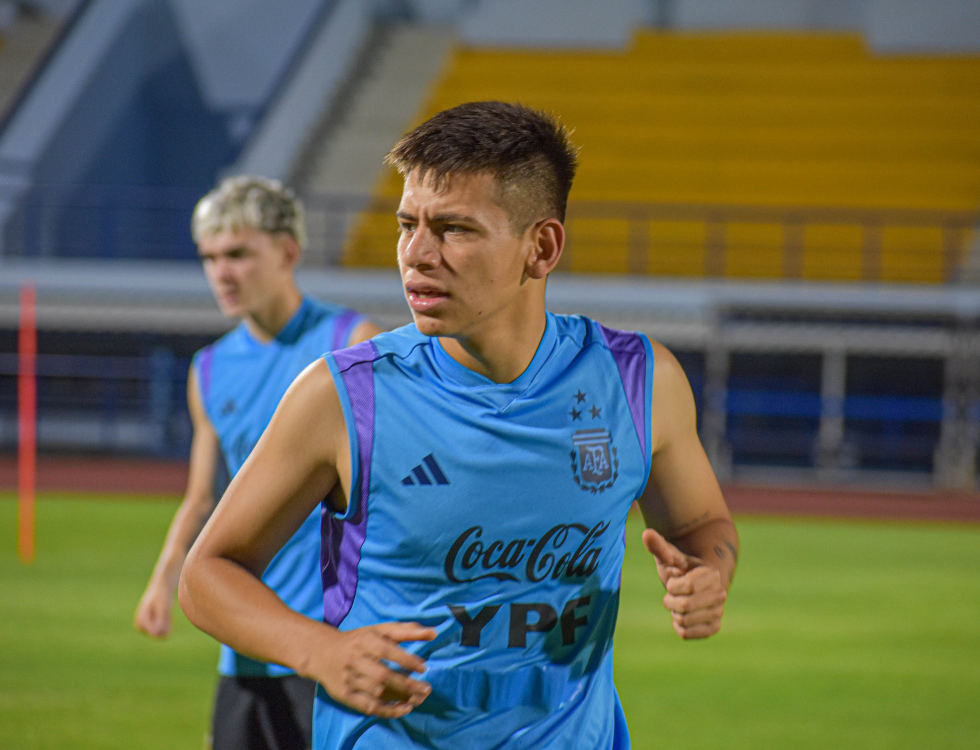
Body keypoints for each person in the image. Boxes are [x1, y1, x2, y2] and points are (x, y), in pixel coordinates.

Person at [178, 102, 739, 748]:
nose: (416, 254)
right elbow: (207, 573)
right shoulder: (343, 396)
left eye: (453, 229)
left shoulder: (639, 382)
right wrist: (318, 650)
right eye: (407, 225)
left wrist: (708, 573)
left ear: (541, 248)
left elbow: (702, 526)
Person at [134, 175, 381, 750]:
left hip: (332, 640)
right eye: (210, 257)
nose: (221, 272)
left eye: (239, 254)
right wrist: (163, 579)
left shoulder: (352, 342)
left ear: (288, 252)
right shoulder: (209, 369)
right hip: (245, 646)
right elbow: (204, 498)